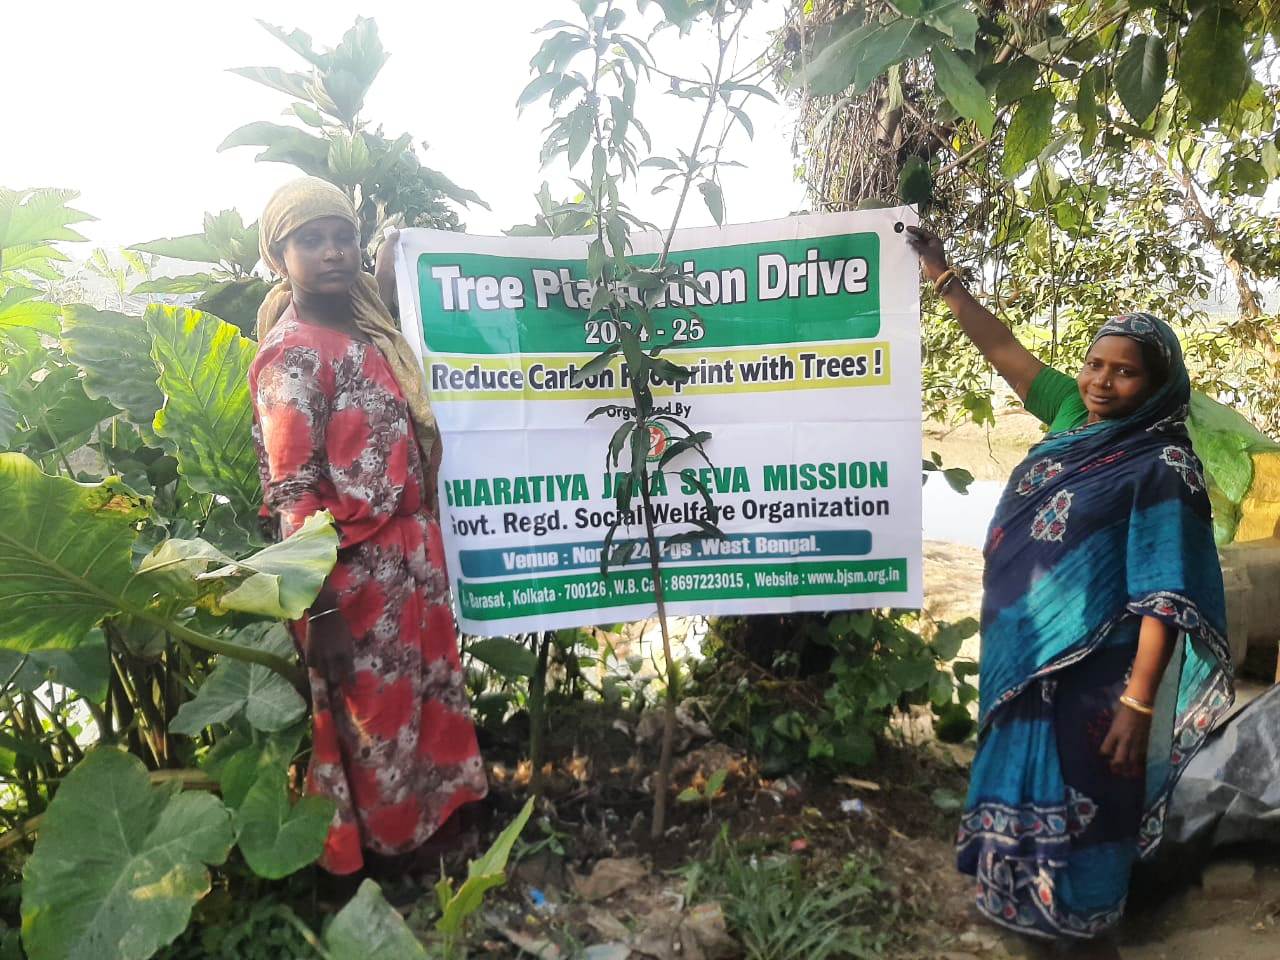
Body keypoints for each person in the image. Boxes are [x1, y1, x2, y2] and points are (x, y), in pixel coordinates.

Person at [907, 227, 1233, 956]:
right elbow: (1003, 350)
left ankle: (1087, 936)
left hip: (1099, 679)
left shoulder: (1163, 468)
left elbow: (1165, 596)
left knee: (1087, 801)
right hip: (1023, 659)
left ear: (1158, 386)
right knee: (1020, 792)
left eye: (1125, 372)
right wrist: (941, 273)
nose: (1101, 380)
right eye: (1094, 363)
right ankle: (1020, 918)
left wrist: (1139, 701)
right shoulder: (1067, 416)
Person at [249, 177, 487, 878]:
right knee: (376, 723)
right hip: (347, 578)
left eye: (342, 237)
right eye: (311, 240)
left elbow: (390, 282)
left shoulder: (365, 325)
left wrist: (394, 254)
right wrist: (318, 610)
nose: (332, 253)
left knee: (426, 700)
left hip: (409, 559)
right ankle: (395, 854)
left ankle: (436, 825)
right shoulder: (291, 356)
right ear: (278, 256)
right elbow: (292, 496)